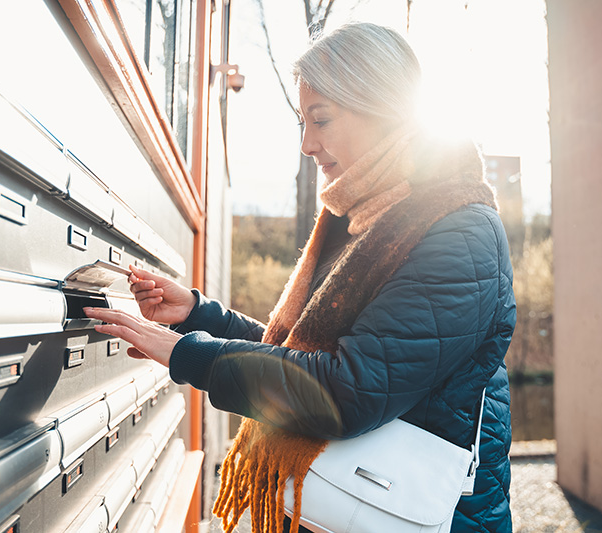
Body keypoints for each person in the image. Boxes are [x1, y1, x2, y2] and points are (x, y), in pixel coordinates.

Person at [85, 22, 515, 533]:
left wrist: (188, 354)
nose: (308, 144)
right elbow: (306, 354)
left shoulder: (458, 233)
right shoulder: (366, 220)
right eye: (302, 124)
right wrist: (199, 315)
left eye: (323, 119)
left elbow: (345, 390)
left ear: (383, 108)